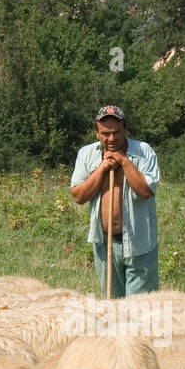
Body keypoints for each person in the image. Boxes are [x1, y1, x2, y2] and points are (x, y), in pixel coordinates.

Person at [69, 104, 160, 298]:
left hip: (139, 243)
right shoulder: (87, 154)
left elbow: (146, 190)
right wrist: (102, 168)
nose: (111, 138)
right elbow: (78, 196)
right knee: (113, 307)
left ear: (125, 129)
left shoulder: (144, 151)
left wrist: (124, 160)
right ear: (97, 133)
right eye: (105, 133)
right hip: (105, 244)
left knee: (139, 309)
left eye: (116, 132)